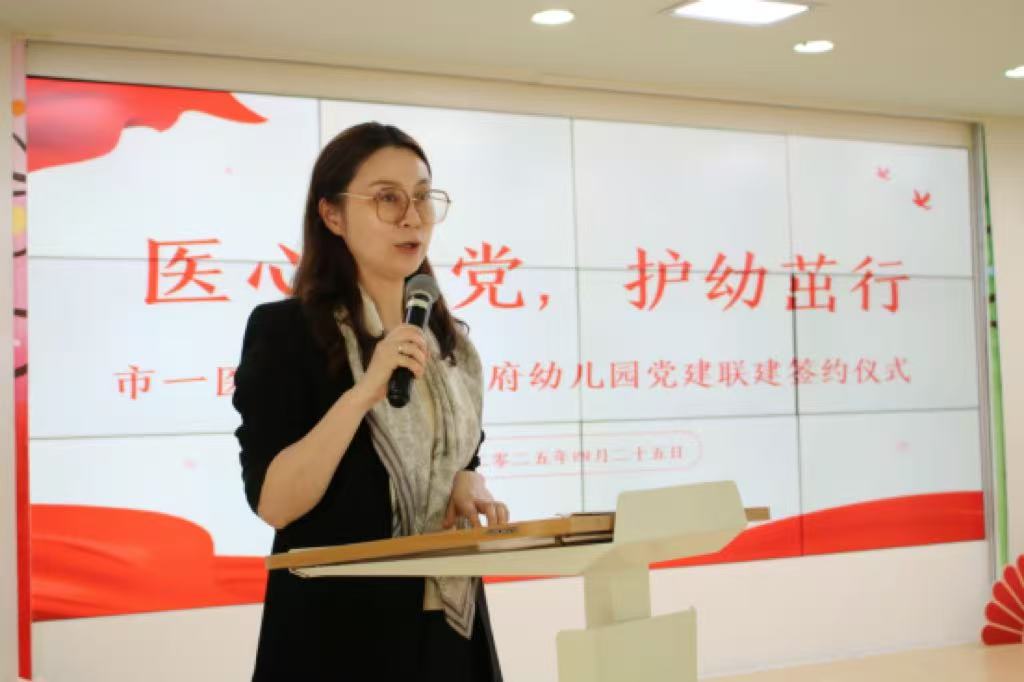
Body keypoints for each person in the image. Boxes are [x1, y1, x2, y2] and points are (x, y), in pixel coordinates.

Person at [232, 121, 508, 681]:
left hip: (449, 629)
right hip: (337, 638)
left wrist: (467, 480)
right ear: (332, 215)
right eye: (387, 198)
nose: (412, 217)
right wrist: (363, 393)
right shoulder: (287, 333)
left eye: (423, 197)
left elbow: (463, 458)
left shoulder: (450, 345)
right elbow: (275, 503)